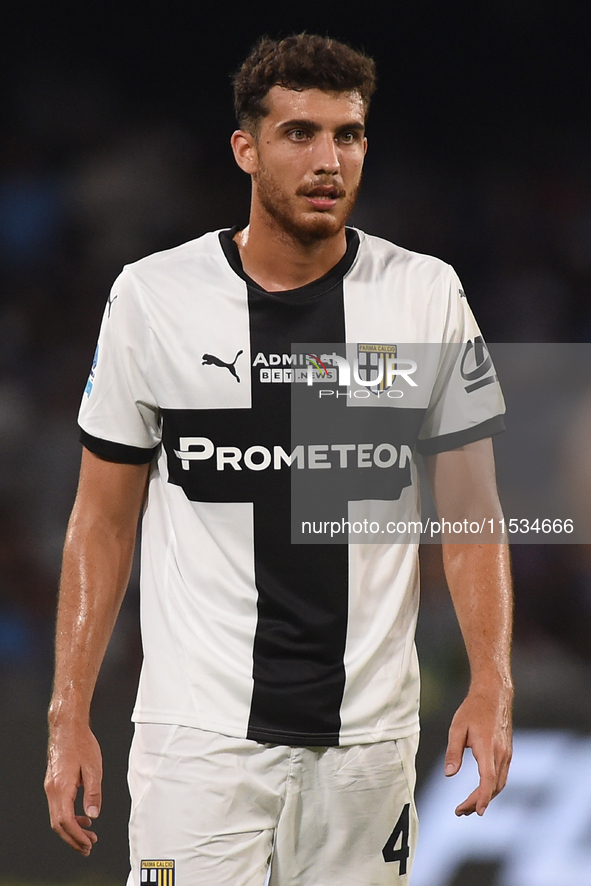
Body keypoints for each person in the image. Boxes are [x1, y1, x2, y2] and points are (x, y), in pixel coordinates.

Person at [44, 34, 513, 886]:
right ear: (246, 149)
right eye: (299, 133)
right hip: (198, 737)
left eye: (349, 134)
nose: (328, 159)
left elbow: (474, 515)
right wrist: (67, 712)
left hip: (369, 740)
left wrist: (491, 681)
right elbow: (101, 519)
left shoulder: (424, 294)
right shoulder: (154, 297)